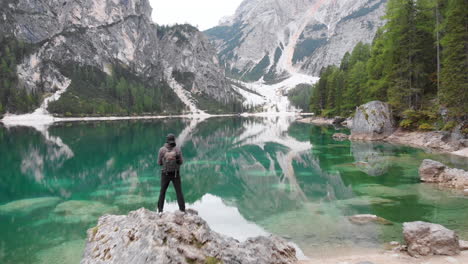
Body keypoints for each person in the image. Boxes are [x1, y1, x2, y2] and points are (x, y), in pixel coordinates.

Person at [157, 133, 185, 213]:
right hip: (175, 174)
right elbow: (181, 162)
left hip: (165, 174)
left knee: (162, 192)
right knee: (179, 192)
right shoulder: (177, 149)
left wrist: (165, 163)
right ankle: (182, 210)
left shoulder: (162, 150)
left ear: (166, 140)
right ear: (174, 140)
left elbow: (159, 163)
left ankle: (160, 210)